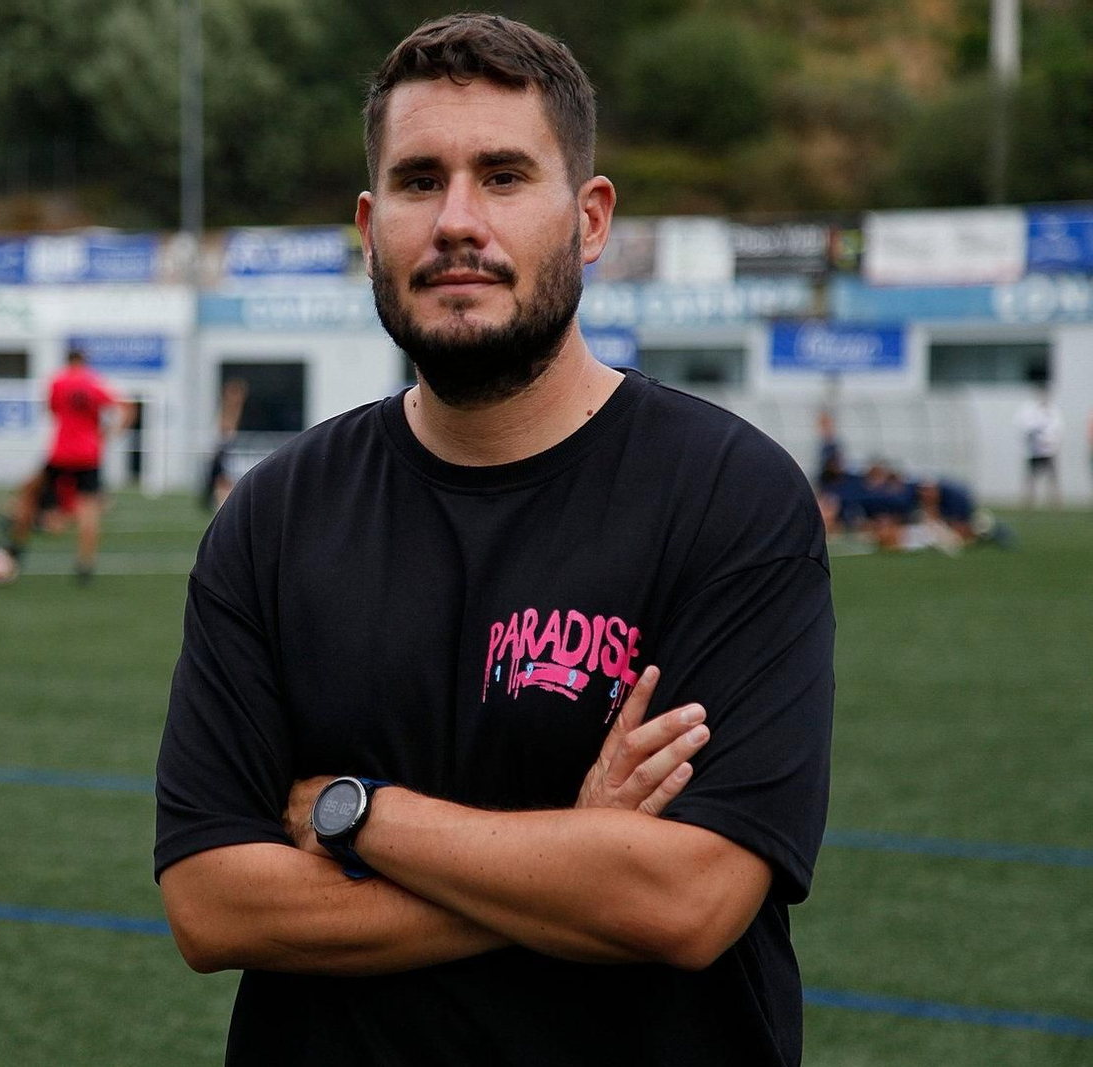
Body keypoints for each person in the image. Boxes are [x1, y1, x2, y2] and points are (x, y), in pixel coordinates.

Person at [154, 15, 834, 1067]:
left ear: (590, 217)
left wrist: (358, 814)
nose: (456, 221)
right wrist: (573, 849)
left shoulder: (728, 496)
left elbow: (687, 897)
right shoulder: (273, 516)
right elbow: (211, 902)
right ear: (371, 223)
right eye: (421, 181)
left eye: (505, 176)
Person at [0, 348, 133, 582]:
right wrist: (110, 433)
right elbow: (127, 407)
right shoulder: (94, 383)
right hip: (89, 454)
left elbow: (51, 409)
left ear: (68, 361)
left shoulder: (58, 382)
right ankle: (85, 564)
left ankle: (16, 546)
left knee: (29, 494)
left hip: (61, 452)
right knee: (88, 509)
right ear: (84, 361)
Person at [201, 378, 249, 511]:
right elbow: (226, 427)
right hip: (220, 448)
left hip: (223, 447)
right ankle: (220, 504)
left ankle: (220, 503)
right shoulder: (226, 411)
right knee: (221, 479)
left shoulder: (231, 410)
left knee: (223, 479)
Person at [1015, 387, 1062, 508]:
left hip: (1049, 450)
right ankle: (1029, 500)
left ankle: (1054, 501)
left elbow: (1057, 429)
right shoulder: (1030, 411)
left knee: (1052, 476)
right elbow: (1026, 426)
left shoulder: (1053, 411)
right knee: (1031, 477)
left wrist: (1050, 441)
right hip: (1034, 450)